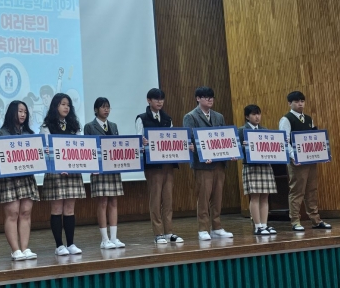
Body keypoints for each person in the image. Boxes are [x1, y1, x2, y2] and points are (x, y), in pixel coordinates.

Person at [0, 100, 39, 260]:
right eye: (20, 111)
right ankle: (15, 250)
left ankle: (25, 248)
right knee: (13, 213)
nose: (23, 114)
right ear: (12, 112)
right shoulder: (1, 134)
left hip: (26, 178)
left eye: (25, 112)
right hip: (9, 179)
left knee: (26, 212)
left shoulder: (30, 134)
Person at [183, 86, 232, 241]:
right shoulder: (191, 116)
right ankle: (203, 228)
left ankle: (217, 227)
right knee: (204, 197)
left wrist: (230, 152)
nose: (210, 100)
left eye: (211, 97)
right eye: (206, 97)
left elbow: (224, 138)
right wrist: (202, 153)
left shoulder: (219, 116)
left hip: (219, 163)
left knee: (218, 197)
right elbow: (189, 141)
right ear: (198, 98)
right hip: (202, 164)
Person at [135, 88, 183, 244]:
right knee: (155, 199)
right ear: (149, 100)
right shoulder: (142, 118)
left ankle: (169, 232)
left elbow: (172, 139)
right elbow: (137, 141)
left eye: (161, 99)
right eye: (156, 99)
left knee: (168, 199)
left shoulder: (167, 118)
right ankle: (158, 233)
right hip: (152, 165)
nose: (159, 102)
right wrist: (141, 142)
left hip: (168, 163)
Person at [279, 91, 331, 231]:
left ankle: (315, 220)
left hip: (310, 160)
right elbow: (284, 141)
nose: (300, 104)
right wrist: (293, 156)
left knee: (311, 190)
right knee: (297, 191)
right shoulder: (286, 119)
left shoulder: (308, 119)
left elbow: (315, 137)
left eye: (302, 101)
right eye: (296, 101)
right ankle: (295, 220)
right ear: (289, 103)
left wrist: (323, 154)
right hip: (296, 162)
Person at [40, 93, 85, 256]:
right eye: (62, 104)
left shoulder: (74, 125)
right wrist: (59, 166)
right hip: (55, 172)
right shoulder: (47, 126)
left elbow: (80, 147)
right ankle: (59, 245)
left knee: (70, 209)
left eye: (68, 105)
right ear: (55, 106)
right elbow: (46, 149)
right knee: (57, 208)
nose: (66, 107)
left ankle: (71, 243)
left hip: (72, 171)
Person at [84, 97, 125, 249]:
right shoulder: (89, 126)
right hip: (98, 170)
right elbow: (88, 149)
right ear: (96, 110)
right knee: (102, 203)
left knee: (114, 202)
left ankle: (114, 237)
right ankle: (104, 239)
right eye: (103, 107)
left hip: (113, 168)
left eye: (108, 107)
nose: (106, 110)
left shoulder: (113, 126)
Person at [238, 104, 277, 235]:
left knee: (265, 196)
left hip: (265, 165)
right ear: (247, 116)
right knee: (255, 196)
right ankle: (257, 226)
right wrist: (243, 146)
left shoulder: (264, 130)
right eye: (254, 114)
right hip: (251, 166)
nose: (257, 117)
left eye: (258, 114)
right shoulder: (241, 130)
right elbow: (236, 150)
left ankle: (264, 225)